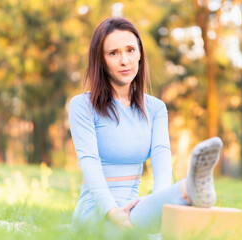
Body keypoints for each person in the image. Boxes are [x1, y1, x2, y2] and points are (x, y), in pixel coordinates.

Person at [69, 17, 223, 233]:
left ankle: (186, 193)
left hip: (136, 210)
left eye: (130, 50)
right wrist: (112, 211)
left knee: (161, 232)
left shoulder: (156, 109)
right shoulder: (82, 106)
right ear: (101, 60)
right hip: (96, 211)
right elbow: (89, 162)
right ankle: (189, 189)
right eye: (114, 53)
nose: (125, 60)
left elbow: (161, 156)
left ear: (140, 54)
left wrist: (159, 207)